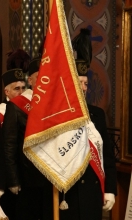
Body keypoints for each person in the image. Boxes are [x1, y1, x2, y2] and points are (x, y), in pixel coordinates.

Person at [58, 28, 117, 220]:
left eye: (85, 83)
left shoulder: (97, 115)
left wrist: (110, 190)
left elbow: (107, 157)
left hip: (91, 195)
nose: (84, 88)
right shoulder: (58, 116)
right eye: (79, 83)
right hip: (67, 196)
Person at [1, 52, 53, 220]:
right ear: (30, 80)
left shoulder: (54, 104)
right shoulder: (17, 106)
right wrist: (13, 180)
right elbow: (9, 146)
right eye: (40, 77)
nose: (44, 81)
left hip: (50, 176)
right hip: (26, 178)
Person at [0, 49, 30, 126]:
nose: (21, 92)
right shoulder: (1, 110)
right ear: (6, 92)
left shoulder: (29, 103)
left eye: (23, 88)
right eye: (17, 88)